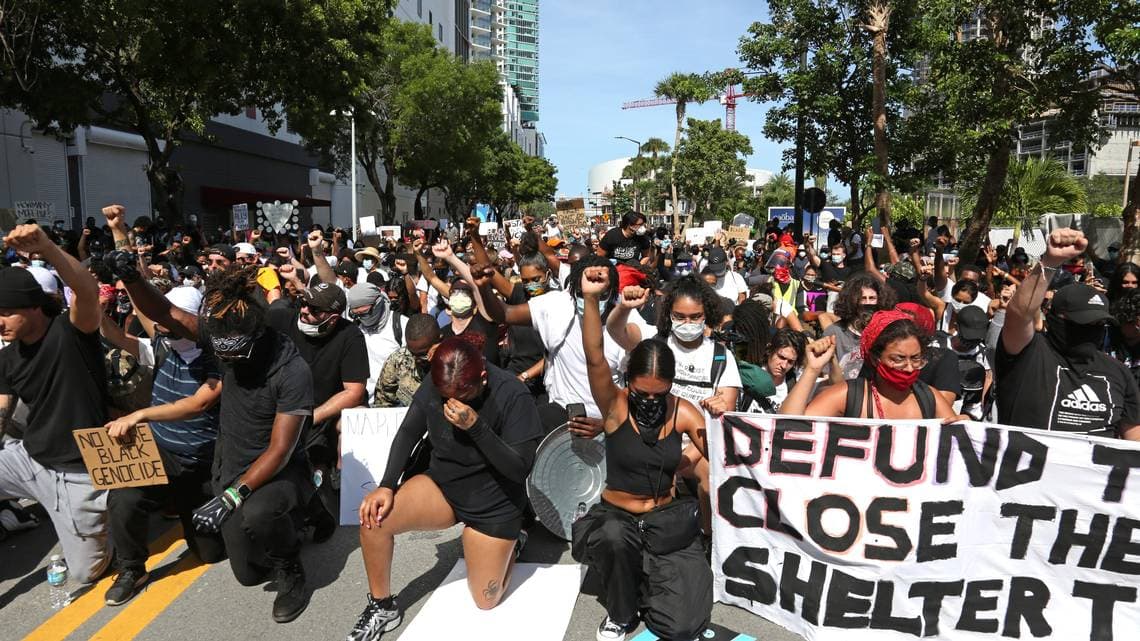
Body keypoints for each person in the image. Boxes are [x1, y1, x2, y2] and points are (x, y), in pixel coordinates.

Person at [122, 263, 315, 622]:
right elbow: (165, 312)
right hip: (231, 463)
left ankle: (292, 566)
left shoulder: (291, 371)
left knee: (260, 514)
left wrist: (231, 497)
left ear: (257, 337)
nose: (225, 362)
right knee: (247, 575)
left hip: (278, 471)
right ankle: (300, 516)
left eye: (233, 355)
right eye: (221, 354)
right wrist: (132, 279)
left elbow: (280, 450)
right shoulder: (223, 336)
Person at [348, 338, 542, 640]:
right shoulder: (441, 379)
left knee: (485, 600)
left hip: (495, 501)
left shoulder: (513, 394)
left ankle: (514, 541)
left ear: (483, 378)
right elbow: (410, 429)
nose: (453, 402)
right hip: (444, 487)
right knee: (375, 518)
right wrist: (386, 485)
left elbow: (519, 469)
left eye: (463, 395)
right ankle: (382, 605)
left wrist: (476, 427)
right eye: (445, 395)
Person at [570, 264, 712, 641]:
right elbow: (595, 355)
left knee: (683, 625)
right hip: (618, 517)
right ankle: (622, 612)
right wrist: (590, 297)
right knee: (615, 537)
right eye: (641, 393)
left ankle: (652, 580)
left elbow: (716, 452)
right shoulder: (616, 407)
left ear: (671, 386)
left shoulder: (682, 411)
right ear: (628, 383)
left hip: (665, 521)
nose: (650, 401)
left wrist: (717, 427)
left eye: (659, 394)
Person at [99, 286, 225, 605]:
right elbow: (135, 318)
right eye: (160, 321)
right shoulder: (160, 341)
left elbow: (199, 403)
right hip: (161, 452)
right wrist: (94, 298)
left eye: (172, 321)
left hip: (201, 462)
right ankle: (131, 569)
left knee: (209, 553)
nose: (162, 327)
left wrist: (140, 414)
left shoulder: (219, 355)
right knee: (124, 496)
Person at [0, 224, 110, 585]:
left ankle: (111, 532)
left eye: (5, 312)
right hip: (30, 459)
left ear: (35, 307)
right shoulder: (7, 357)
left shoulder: (72, 332)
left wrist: (46, 246)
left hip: (80, 472)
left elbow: (85, 289)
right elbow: (2, 409)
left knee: (84, 573)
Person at [997, 228, 1140, 438]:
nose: (1090, 330)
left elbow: (1133, 442)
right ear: (1055, 318)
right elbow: (1019, 314)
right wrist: (1049, 263)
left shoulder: (1118, 373)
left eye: (1098, 323)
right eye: (1081, 323)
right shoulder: (1027, 354)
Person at [781, 311, 961, 421]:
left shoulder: (929, 399)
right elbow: (785, 426)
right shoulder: (848, 395)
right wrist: (812, 369)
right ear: (875, 358)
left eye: (915, 359)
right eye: (898, 359)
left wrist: (965, 425)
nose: (908, 368)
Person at [347, 282, 407, 403]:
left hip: (395, 405)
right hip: (362, 403)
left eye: (366, 312)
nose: (362, 318)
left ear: (378, 303)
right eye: (356, 314)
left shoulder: (402, 325)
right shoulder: (353, 330)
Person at [374, 314, 442, 408]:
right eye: (412, 353)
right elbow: (383, 402)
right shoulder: (398, 361)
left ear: (439, 340)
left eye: (423, 354)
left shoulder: (455, 360)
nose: (416, 360)